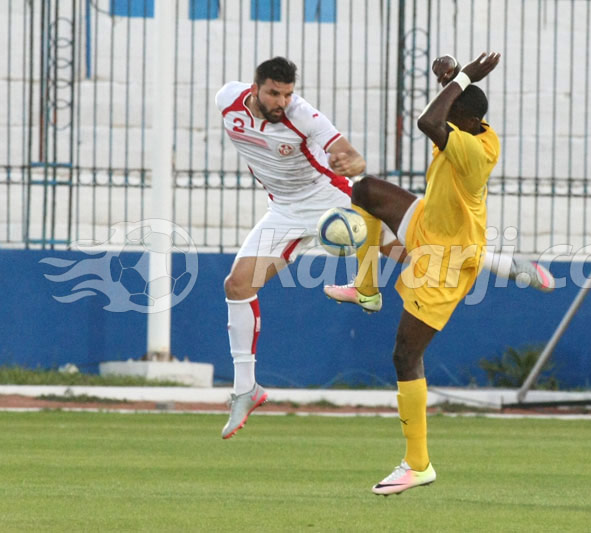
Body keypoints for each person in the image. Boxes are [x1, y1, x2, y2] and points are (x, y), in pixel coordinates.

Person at [329, 51, 512, 495]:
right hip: (430, 223)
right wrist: (453, 78)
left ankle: (418, 464)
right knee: (366, 191)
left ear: (464, 121)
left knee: (404, 356)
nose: (446, 119)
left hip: (448, 263)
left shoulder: (470, 148)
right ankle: (367, 288)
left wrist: (464, 76)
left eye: (453, 113)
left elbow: (429, 122)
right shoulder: (470, 124)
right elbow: (445, 112)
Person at [214, 57, 371, 439]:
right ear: (255, 89)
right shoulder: (227, 101)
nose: (282, 100)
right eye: (273, 93)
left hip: (326, 197)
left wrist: (351, 161)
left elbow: (348, 152)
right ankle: (246, 389)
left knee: (407, 248)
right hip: (283, 210)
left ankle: (492, 261)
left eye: (287, 93)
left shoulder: (303, 116)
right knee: (237, 286)